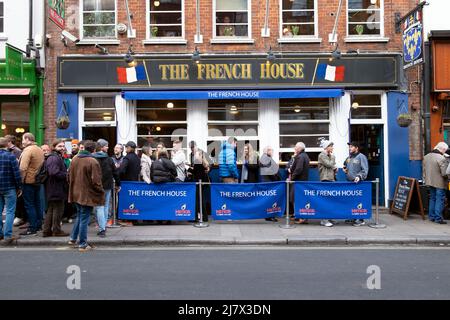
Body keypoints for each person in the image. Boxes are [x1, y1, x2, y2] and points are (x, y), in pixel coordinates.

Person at [68, 140, 105, 252]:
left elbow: (68, 175)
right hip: (86, 194)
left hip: (75, 192)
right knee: (84, 218)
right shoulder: (92, 161)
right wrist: (100, 191)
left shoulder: (74, 159)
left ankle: (73, 238)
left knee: (80, 215)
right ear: (93, 150)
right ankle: (83, 244)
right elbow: (96, 181)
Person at [93, 139, 120, 237]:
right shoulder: (109, 159)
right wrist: (118, 184)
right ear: (101, 147)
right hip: (107, 186)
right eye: (106, 146)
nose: (108, 147)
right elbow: (115, 172)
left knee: (99, 207)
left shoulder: (93, 158)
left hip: (96, 186)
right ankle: (103, 227)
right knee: (105, 206)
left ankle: (102, 227)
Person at [18, 133, 44, 236]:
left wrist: (20, 182)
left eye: (23, 139)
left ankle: (32, 228)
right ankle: (38, 225)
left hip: (28, 181)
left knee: (29, 205)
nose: (22, 141)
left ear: (28, 139)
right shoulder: (39, 149)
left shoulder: (28, 150)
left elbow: (23, 168)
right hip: (37, 180)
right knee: (37, 203)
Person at [42, 139, 69, 237]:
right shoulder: (54, 158)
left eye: (63, 146)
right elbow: (53, 172)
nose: (62, 148)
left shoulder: (56, 157)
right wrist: (66, 175)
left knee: (51, 209)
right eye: (60, 146)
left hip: (53, 187)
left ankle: (47, 231)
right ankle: (56, 230)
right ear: (54, 147)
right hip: (55, 188)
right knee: (58, 209)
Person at [0, 137, 22, 245]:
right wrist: (19, 187)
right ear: (7, 145)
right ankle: (7, 236)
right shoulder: (11, 156)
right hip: (9, 188)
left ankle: (0, 234)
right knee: (9, 211)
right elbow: (17, 174)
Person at [343, 141, 369, 226]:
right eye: (349, 147)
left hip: (358, 183)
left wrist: (359, 176)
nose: (350, 148)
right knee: (351, 200)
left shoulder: (361, 157)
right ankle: (353, 217)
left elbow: (365, 170)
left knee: (359, 201)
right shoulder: (349, 157)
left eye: (351, 147)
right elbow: (344, 165)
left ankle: (360, 220)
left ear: (356, 148)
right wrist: (345, 169)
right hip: (349, 183)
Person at [424, 142, 449, 224]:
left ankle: (431, 217)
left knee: (432, 198)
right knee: (440, 199)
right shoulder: (441, 158)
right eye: (445, 150)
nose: (444, 152)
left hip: (430, 181)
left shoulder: (426, 156)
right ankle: (438, 218)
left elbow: (424, 170)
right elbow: (444, 173)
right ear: (442, 149)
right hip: (439, 183)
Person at [188, 141, 211, 222]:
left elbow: (198, 170)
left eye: (193, 147)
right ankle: (203, 217)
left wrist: (188, 168)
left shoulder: (199, 155)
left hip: (200, 180)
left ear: (196, 146)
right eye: (191, 148)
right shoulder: (192, 155)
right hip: (199, 180)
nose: (192, 149)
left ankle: (199, 217)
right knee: (199, 199)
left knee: (198, 199)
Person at [318, 140, 337, 227]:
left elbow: (332, 166)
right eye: (331, 146)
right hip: (325, 179)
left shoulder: (328, 156)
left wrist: (335, 168)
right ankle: (324, 220)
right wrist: (333, 158)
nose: (332, 148)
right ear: (327, 147)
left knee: (330, 200)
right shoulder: (322, 155)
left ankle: (328, 217)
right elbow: (329, 164)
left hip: (330, 179)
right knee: (325, 200)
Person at [289, 142, 310, 224]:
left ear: (300, 148)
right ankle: (298, 215)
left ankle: (302, 218)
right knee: (296, 199)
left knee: (295, 199)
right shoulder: (304, 155)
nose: (295, 148)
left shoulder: (300, 156)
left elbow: (298, 169)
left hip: (298, 182)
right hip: (302, 182)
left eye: (296, 147)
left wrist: (292, 178)